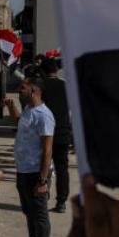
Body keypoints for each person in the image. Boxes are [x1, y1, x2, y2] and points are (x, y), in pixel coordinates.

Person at [3, 77, 54, 237]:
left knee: (40, 216)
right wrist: (10, 107)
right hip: (23, 170)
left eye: (22, 88)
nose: (18, 90)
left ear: (33, 91)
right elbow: (20, 122)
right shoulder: (28, 110)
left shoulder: (44, 115)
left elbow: (48, 149)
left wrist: (43, 180)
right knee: (29, 213)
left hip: (36, 173)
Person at [40, 58, 72, 212]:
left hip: (45, 133)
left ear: (43, 71)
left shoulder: (40, 87)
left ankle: (42, 197)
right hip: (63, 132)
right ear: (57, 70)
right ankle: (61, 202)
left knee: (43, 166)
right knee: (62, 168)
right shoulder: (66, 86)